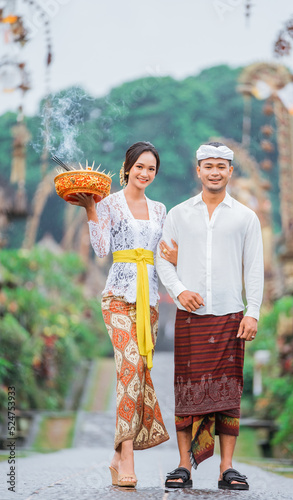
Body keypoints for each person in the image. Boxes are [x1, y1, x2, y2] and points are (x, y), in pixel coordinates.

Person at [68, 141, 177, 488]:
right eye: (140, 167)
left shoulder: (160, 209)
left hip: (149, 302)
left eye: (151, 169)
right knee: (128, 369)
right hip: (117, 296)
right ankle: (128, 456)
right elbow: (102, 249)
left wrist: (174, 258)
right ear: (127, 168)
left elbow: (163, 256)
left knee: (141, 371)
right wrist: (90, 211)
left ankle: (116, 456)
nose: (145, 174)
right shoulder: (111, 203)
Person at [157, 142, 264, 491]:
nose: (215, 171)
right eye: (208, 166)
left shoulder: (246, 217)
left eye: (221, 166)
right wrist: (178, 290)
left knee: (228, 393)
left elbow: (255, 270)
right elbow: (162, 259)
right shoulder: (178, 214)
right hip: (191, 316)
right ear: (198, 170)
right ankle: (182, 465)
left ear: (230, 172)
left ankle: (227, 468)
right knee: (186, 390)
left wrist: (253, 312)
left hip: (231, 316)